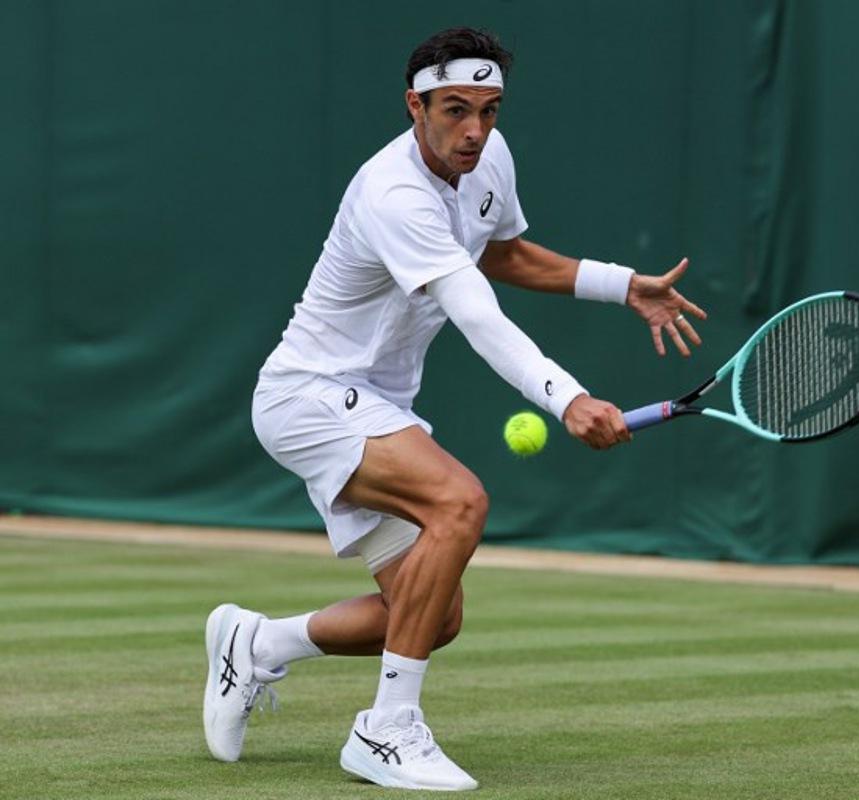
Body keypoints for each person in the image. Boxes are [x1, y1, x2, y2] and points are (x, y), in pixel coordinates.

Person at [203, 27, 706, 791]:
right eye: (455, 110)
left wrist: (619, 282)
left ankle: (257, 644)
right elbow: (475, 311)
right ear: (416, 106)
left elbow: (500, 255)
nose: (474, 129)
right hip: (307, 394)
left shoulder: (486, 159)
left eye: (490, 110)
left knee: (432, 618)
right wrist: (567, 398)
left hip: (373, 402)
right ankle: (386, 731)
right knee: (460, 501)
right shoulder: (392, 191)